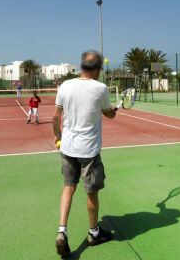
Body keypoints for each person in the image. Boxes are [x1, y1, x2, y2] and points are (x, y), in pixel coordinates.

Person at [52, 50, 118, 257]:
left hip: (67, 147)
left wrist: (57, 136)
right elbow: (109, 114)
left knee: (68, 187)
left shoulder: (65, 85)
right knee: (92, 193)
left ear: (81, 66)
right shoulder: (101, 88)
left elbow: (56, 116)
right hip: (88, 150)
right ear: (98, 69)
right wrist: (113, 110)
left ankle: (61, 231)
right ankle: (93, 233)